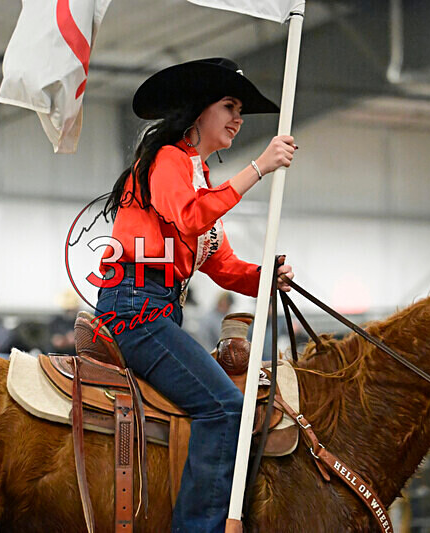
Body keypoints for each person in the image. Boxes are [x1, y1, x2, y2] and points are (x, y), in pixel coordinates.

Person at [94, 57, 296, 532]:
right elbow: (189, 217)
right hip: (136, 309)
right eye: (229, 105)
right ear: (199, 112)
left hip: (155, 310)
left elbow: (222, 266)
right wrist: (258, 167)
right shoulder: (167, 161)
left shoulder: (196, 176)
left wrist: (267, 276)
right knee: (226, 407)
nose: (238, 118)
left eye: (240, 109)